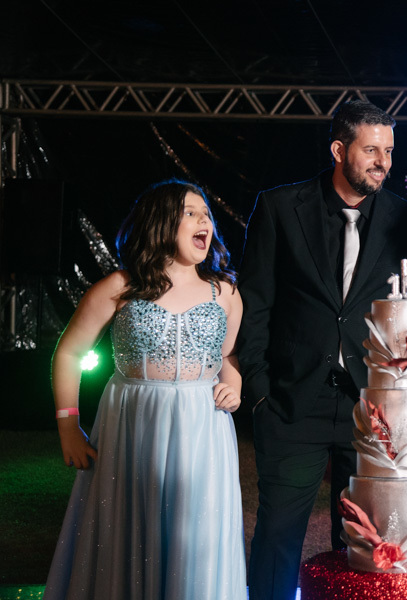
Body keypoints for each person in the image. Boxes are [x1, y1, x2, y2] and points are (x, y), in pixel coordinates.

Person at [238, 99, 407, 599]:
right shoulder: (280, 208)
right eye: (371, 150)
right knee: (279, 534)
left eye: (389, 151)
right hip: (290, 402)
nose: (383, 162)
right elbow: (255, 304)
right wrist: (260, 391)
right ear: (338, 149)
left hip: (373, 410)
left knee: (365, 545)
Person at [43, 180, 245, 599]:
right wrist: (68, 426)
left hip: (202, 428)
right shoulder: (119, 287)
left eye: (205, 213)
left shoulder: (224, 292)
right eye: (190, 213)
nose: (203, 219)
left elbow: (227, 357)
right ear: (159, 223)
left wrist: (234, 384)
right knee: (132, 524)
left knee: (195, 529)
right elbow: (67, 353)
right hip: (134, 422)